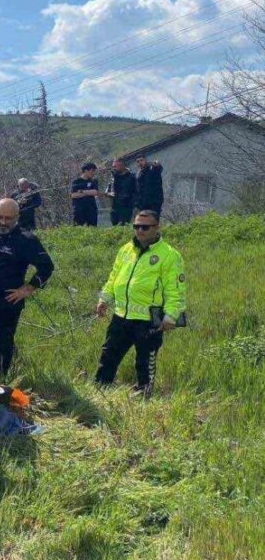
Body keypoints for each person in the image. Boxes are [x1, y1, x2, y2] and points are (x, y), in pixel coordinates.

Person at [94, 210, 185, 396]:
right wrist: (104, 298)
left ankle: (144, 394)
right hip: (121, 315)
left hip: (148, 319)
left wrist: (171, 315)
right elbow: (114, 277)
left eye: (145, 227)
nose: (140, 230)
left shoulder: (169, 255)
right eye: (136, 226)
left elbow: (175, 289)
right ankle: (100, 389)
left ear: (157, 227)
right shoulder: (126, 249)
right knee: (109, 354)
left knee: (145, 361)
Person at [0, 199, 55, 382]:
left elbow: (47, 267)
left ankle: (1, 380)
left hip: (8, 303)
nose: (3, 222)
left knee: (3, 345)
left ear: (17, 217)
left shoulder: (27, 239)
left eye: (8, 218)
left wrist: (27, 289)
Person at [70, 162, 101, 226]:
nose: (93, 173)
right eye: (92, 171)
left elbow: (95, 192)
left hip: (91, 210)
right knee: (78, 229)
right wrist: (89, 192)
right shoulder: (76, 181)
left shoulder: (93, 181)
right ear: (86, 170)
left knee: (93, 229)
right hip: (79, 210)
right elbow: (73, 195)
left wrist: (81, 191)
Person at [108, 159, 137, 226]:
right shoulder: (114, 177)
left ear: (122, 164)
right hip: (115, 206)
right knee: (115, 225)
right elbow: (109, 190)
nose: (114, 168)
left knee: (124, 225)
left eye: (115, 166)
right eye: (113, 166)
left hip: (127, 206)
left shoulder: (132, 177)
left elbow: (136, 191)